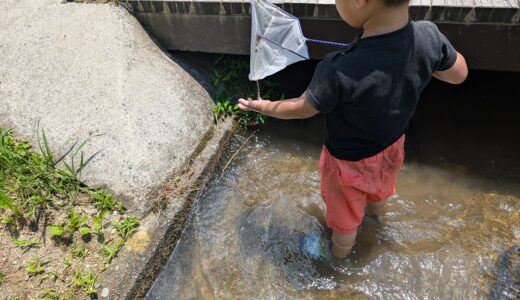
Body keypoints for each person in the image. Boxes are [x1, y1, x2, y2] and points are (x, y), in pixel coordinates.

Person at [238, 0, 468, 263]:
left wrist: (264, 106)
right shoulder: (428, 35)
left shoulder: (338, 67)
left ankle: (337, 257)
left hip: (346, 166)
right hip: (392, 149)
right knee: (379, 192)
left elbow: (303, 108)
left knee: (344, 224)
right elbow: (458, 73)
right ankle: (374, 219)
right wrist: (425, 62)